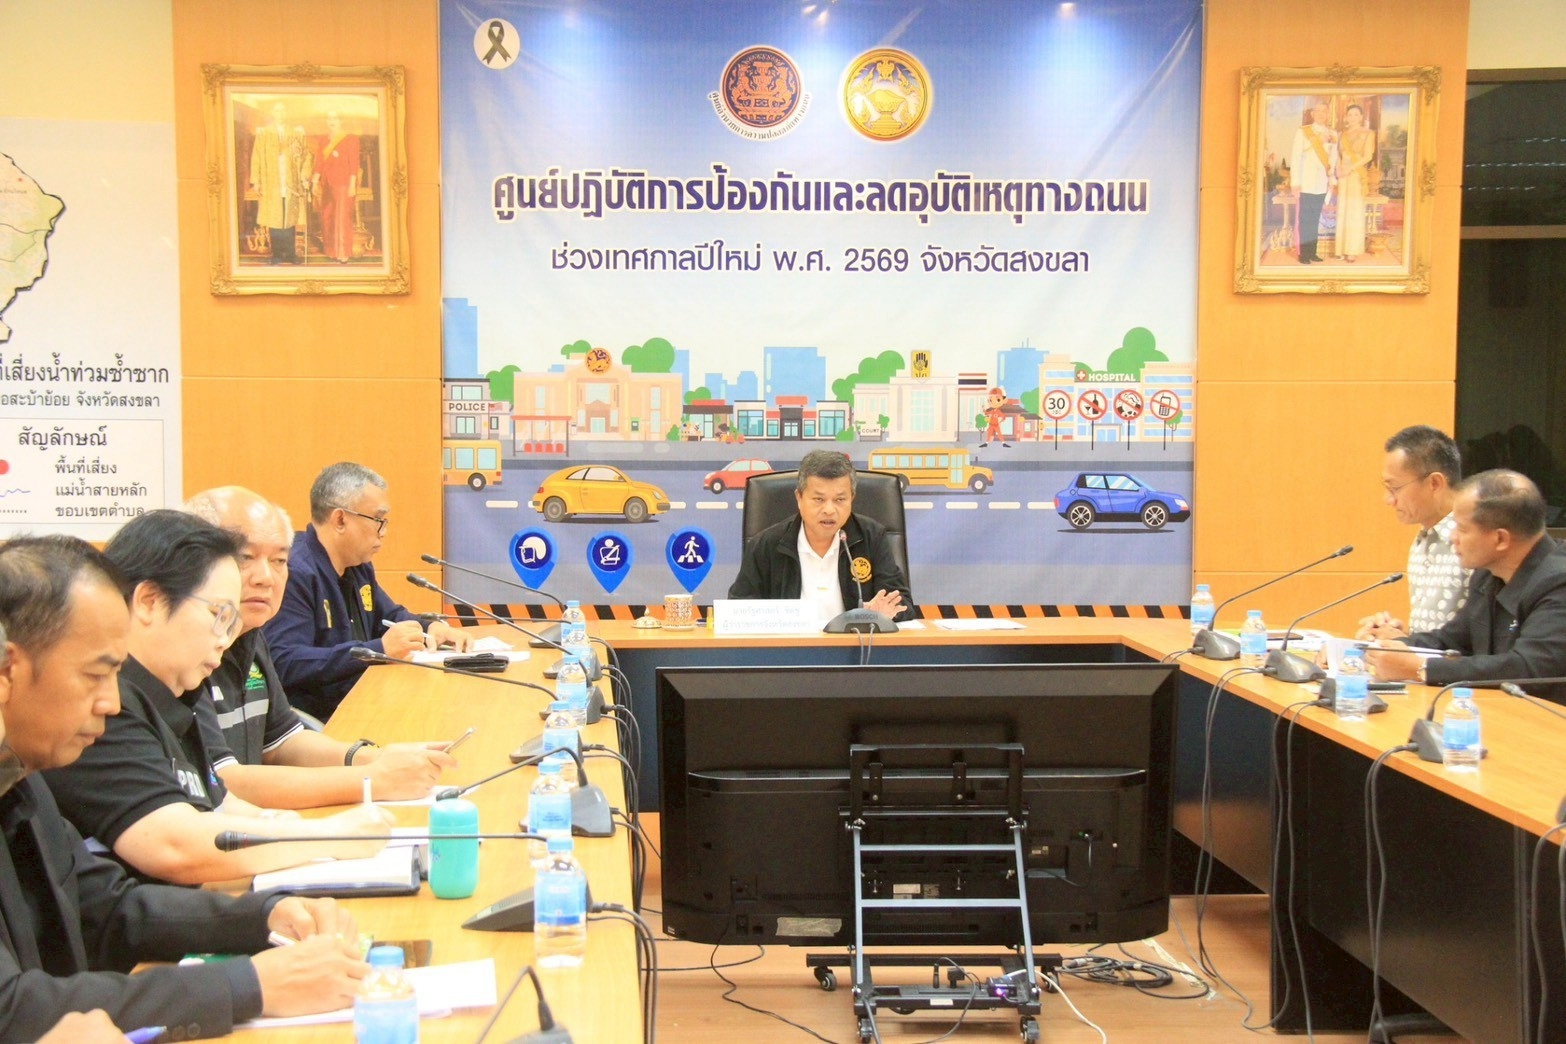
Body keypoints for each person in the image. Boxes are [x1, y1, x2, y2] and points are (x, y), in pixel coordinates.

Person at [0, 534, 372, 1039]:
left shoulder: (22, 777)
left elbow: (106, 908)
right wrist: (250, 985)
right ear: (7, 672)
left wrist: (263, 916)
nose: (111, 703)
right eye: (94, 676)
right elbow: (11, 1008)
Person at [44, 511, 391, 886]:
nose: (225, 640)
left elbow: (217, 799)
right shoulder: (103, 705)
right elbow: (175, 846)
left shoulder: (178, 692)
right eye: (218, 614)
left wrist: (275, 823)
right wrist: (329, 835)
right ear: (149, 601)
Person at [183, 486, 456, 807]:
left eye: (279, 560)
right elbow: (222, 783)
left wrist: (376, 757)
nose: (265, 577)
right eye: (245, 557)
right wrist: (373, 780)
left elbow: (282, 742)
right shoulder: (185, 652)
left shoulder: (249, 635)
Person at [264, 462, 472, 720]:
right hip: (321, 721)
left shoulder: (358, 566)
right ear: (340, 519)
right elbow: (285, 661)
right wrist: (378, 650)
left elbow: (389, 617)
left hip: (365, 702)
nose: (384, 532)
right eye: (378, 520)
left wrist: (430, 628)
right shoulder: (295, 572)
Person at [1366, 470, 1566, 700]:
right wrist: (1386, 645)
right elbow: (1451, 640)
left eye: (1461, 529)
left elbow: (1529, 669)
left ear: (1500, 539)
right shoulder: (1487, 574)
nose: (1453, 538)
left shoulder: (1559, 582)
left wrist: (1421, 668)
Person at [729, 449, 913, 625]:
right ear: (799, 498)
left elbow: (903, 603)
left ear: (852, 498)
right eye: (819, 499)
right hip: (789, 645)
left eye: (840, 499)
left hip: (855, 644)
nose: (829, 510)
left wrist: (884, 611)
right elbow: (739, 608)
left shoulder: (871, 537)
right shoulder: (766, 544)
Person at [1357, 426, 1470, 638]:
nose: (1388, 500)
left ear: (1434, 483)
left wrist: (1408, 645)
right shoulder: (1422, 540)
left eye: (1395, 488)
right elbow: (1434, 638)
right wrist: (1396, 636)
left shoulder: (1474, 540)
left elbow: (1480, 641)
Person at [1288, 99, 1337, 265]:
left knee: (1315, 218)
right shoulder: (1303, 132)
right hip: (1305, 182)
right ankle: (1303, 254)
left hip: (1321, 182)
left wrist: (1331, 178)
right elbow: (1295, 158)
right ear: (1312, 114)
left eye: (1325, 111)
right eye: (1318, 111)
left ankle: (1312, 252)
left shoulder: (1332, 134)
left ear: (1328, 114)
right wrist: (1295, 183)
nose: (1321, 114)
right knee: (1305, 219)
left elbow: (1332, 159)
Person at [313, 111, 360, 263]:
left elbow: (354, 163)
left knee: (342, 218)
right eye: (329, 118)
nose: (331, 121)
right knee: (328, 217)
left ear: (341, 121)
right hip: (326, 183)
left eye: (335, 118)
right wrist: (315, 181)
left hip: (343, 183)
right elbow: (319, 162)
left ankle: (343, 252)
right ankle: (332, 250)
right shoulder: (323, 139)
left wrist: (352, 184)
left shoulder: (350, 138)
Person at [1333, 103, 1376, 262]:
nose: (1353, 118)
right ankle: (1340, 249)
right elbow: (1337, 154)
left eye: (1356, 115)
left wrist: (1350, 168)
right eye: (1350, 115)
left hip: (1356, 173)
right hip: (1342, 174)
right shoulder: (1341, 135)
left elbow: (1368, 156)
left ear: (1361, 117)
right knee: (1342, 209)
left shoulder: (1368, 133)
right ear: (1346, 117)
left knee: (1354, 210)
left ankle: (1352, 250)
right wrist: (1338, 169)